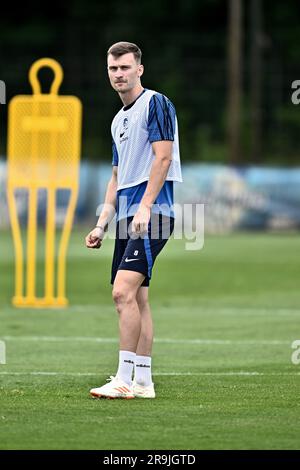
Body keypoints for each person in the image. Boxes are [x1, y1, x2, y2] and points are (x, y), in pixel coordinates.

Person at [85, 41, 182, 399]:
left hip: (151, 214)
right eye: (113, 69)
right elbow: (116, 177)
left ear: (139, 69)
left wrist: (145, 206)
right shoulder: (117, 120)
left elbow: (163, 158)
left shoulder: (155, 103)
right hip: (126, 217)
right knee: (138, 300)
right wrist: (101, 223)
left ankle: (123, 378)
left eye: (125, 67)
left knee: (121, 292)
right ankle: (143, 382)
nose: (118, 74)